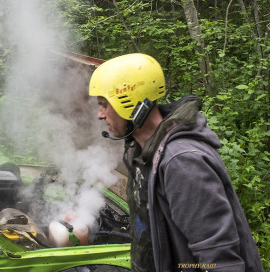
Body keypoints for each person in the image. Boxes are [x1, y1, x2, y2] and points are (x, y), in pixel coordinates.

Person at [89, 53, 264, 272]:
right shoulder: (142, 152)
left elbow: (219, 259)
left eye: (104, 104)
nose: (99, 114)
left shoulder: (181, 162)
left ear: (130, 101)